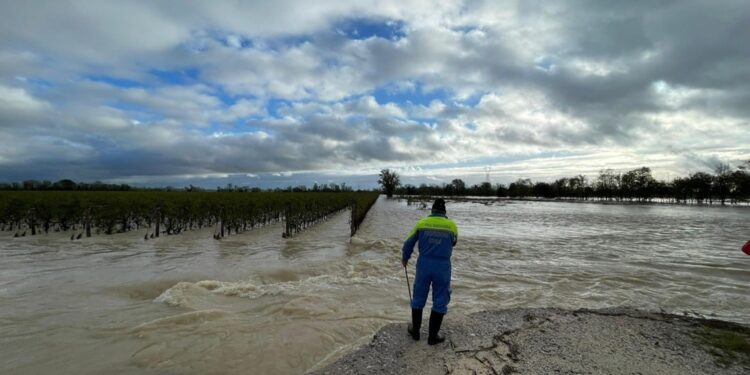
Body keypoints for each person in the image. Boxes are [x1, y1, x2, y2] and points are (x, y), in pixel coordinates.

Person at [402, 198, 458, 345]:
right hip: (443, 266)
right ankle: (433, 337)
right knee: (440, 300)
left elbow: (408, 243)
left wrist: (405, 258)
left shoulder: (422, 223)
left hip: (424, 265)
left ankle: (415, 332)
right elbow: (454, 242)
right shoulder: (452, 225)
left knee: (418, 297)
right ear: (444, 212)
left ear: (432, 211)